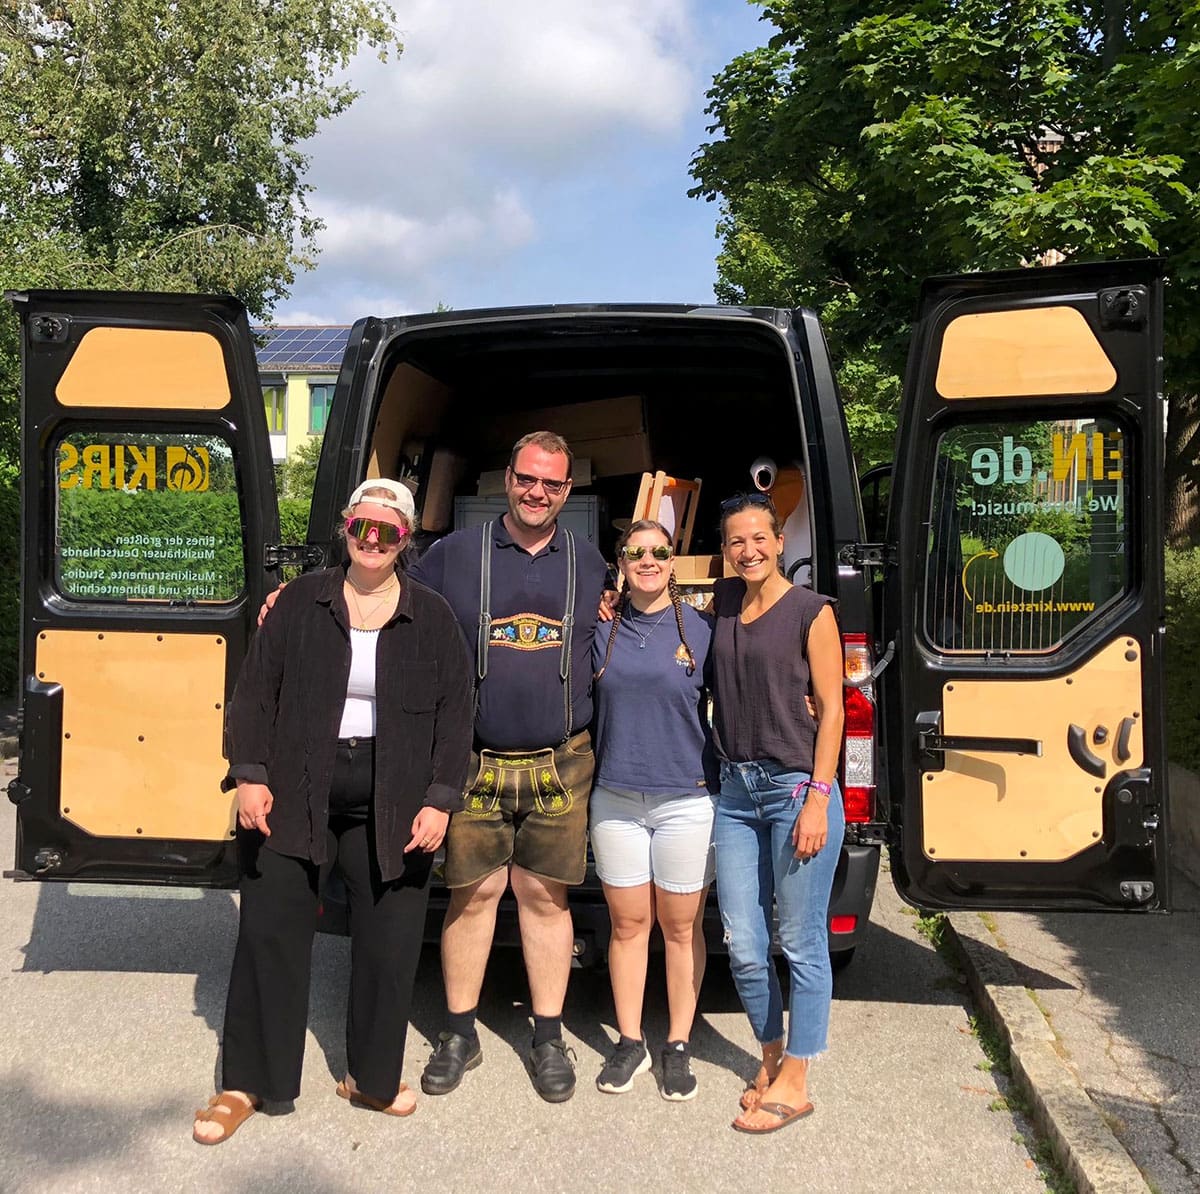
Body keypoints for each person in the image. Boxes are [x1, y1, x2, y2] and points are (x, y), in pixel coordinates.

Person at [192, 480, 473, 1145]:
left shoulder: (432, 616)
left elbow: (457, 714)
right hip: (295, 785)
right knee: (270, 933)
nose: (373, 541)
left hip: (395, 795)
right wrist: (250, 776)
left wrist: (441, 799)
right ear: (346, 529)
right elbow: (256, 692)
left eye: (389, 531)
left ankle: (372, 1078)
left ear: (407, 540)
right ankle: (246, 1084)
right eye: (362, 527)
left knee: (390, 942)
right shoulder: (296, 603)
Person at [408, 431, 608, 1103]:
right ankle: (459, 1034)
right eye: (528, 478)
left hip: (562, 759)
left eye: (552, 484)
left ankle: (547, 1037)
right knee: (474, 897)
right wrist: (289, 601)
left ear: (567, 492)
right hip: (473, 758)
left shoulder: (591, 562)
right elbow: (388, 606)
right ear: (506, 478)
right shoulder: (452, 555)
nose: (537, 493)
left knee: (547, 898)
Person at [708, 491, 845, 1134]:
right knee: (742, 941)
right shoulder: (725, 603)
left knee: (802, 940)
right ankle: (768, 1055)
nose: (749, 549)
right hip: (735, 794)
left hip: (796, 791)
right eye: (737, 540)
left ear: (780, 541)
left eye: (759, 537)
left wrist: (819, 796)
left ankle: (799, 1074)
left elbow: (834, 708)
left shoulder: (812, 612)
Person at [589, 519, 717, 1101]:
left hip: (686, 799)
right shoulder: (602, 629)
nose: (647, 560)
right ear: (621, 562)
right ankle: (631, 1041)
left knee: (681, 925)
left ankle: (679, 1044)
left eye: (658, 552)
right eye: (636, 552)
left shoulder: (702, 629)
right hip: (615, 796)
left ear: (673, 561)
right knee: (627, 924)